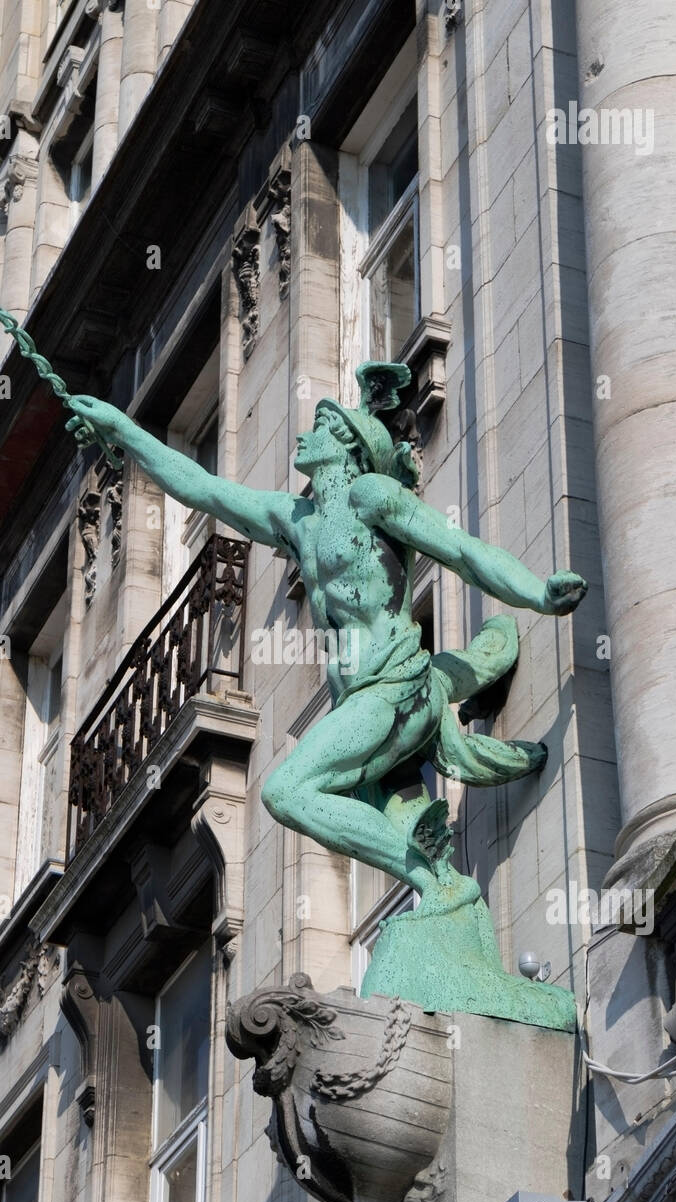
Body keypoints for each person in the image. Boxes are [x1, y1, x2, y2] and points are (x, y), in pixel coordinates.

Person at [66, 361, 586, 908]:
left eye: (317, 426)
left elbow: (460, 550)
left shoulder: (373, 497)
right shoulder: (297, 520)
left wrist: (537, 593)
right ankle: (431, 880)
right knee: (354, 808)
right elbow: (202, 488)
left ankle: (436, 884)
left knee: (285, 792)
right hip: (356, 701)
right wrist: (120, 431)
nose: (301, 434)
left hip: (392, 685)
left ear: (345, 443)